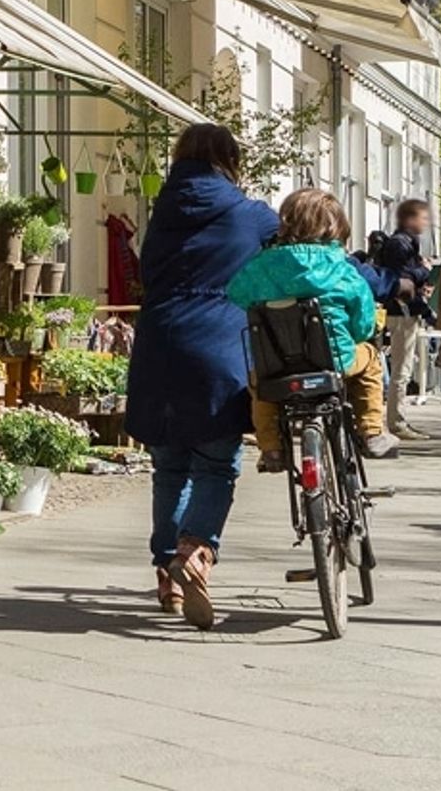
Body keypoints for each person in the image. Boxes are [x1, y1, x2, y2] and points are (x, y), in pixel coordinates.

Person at [126, 124, 278, 630]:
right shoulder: (249, 214)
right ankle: (194, 552)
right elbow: (293, 252)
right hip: (218, 347)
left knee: (169, 467)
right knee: (215, 464)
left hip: (158, 344)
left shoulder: (160, 214)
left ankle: (167, 577)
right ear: (229, 160)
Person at [226, 188, 398, 470]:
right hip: (335, 360)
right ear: (337, 228)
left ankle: (271, 449)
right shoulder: (343, 269)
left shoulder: (262, 266)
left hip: (278, 363)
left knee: (260, 383)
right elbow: (363, 323)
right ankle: (371, 431)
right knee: (370, 358)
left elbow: (236, 294)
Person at [375, 199, 436, 441]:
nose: (426, 223)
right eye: (423, 218)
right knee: (402, 367)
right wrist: (425, 270)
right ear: (410, 219)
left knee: (399, 367)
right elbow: (403, 278)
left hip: (400, 309)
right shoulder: (402, 245)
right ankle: (396, 421)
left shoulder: (402, 243)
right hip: (402, 311)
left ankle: (392, 419)